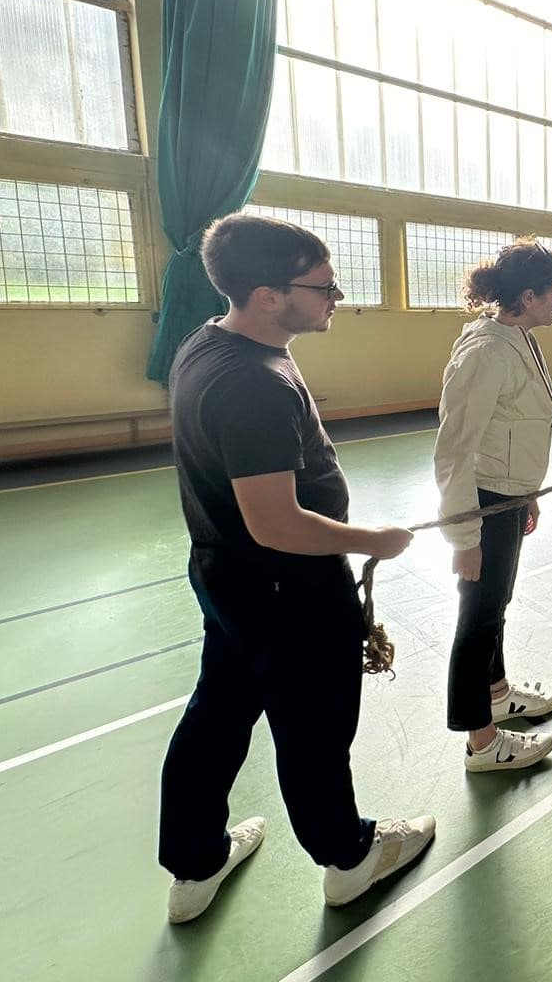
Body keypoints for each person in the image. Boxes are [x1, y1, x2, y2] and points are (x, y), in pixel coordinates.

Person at [159, 214, 433, 924]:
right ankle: (350, 859)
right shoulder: (253, 385)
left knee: (215, 717)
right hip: (289, 592)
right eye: (322, 286)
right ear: (267, 294)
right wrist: (370, 539)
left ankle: (195, 865)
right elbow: (275, 522)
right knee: (313, 732)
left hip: (228, 579)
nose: (336, 296)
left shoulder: (206, 344)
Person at [433, 240, 552, 774]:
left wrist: (527, 492)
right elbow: (454, 451)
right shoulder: (485, 351)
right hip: (483, 505)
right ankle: (483, 744)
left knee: (497, 605)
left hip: (507, 498)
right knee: (479, 616)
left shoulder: (518, 334)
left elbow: (515, 424)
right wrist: (464, 540)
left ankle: (496, 693)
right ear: (528, 296)